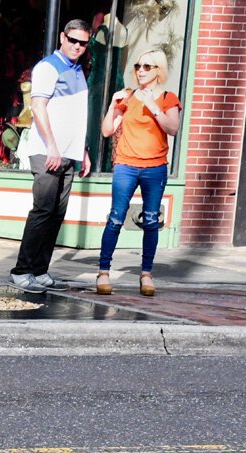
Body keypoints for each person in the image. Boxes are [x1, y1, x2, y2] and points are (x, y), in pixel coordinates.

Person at [8, 19, 93, 294]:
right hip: (48, 152)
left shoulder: (79, 70)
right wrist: (53, 146)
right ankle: (21, 271)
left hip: (68, 152)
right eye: (73, 40)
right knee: (42, 211)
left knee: (56, 213)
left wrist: (83, 151)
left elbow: (76, 116)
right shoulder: (48, 67)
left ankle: (39, 270)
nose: (77, 46)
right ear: (62, 37)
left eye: (83, 43)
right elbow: (38, 107)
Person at [95, 49, 181, 297]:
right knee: (115, 218)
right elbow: (106, 131)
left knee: (151, 220)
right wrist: (113, 104)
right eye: (137, 66)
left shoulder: (167, 97)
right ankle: (103, 272)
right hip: (126, 166)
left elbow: (173, 128)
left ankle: (146, 274)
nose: (140, 71)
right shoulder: (128, 96)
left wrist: (153, 106)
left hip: (155, 168)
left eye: (147, 66)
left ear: (158, 71)